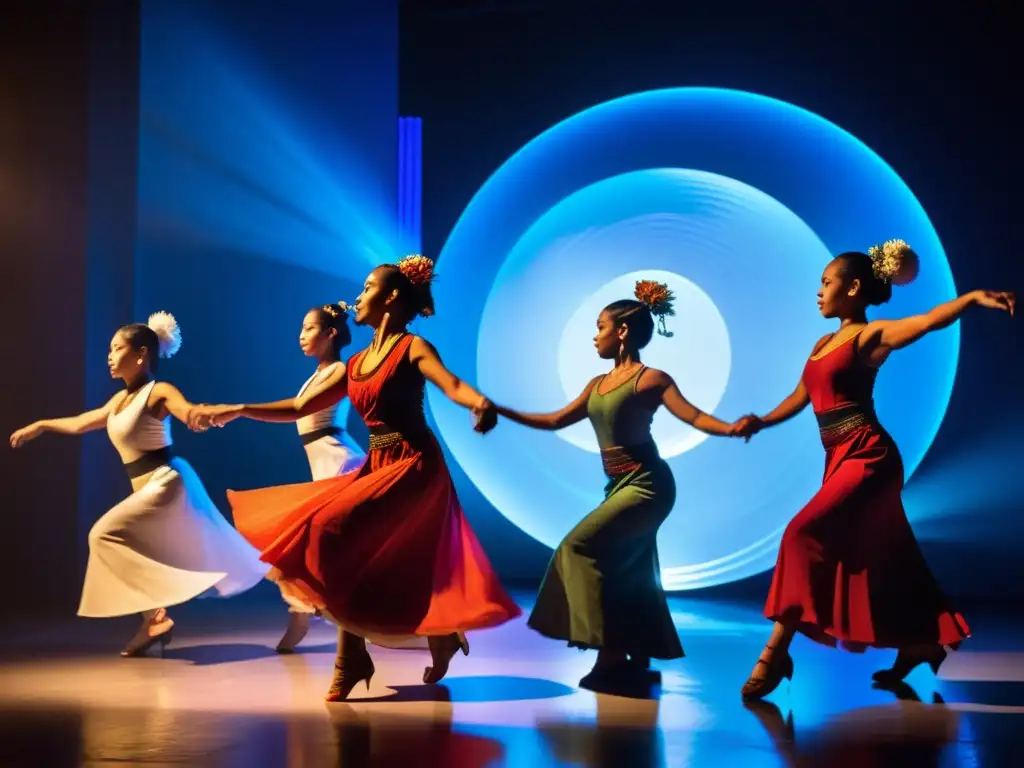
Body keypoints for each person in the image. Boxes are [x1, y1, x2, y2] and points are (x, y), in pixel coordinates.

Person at [190, 256, 521, 701]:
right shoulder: (358, 363)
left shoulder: (412, 348)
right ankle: (428, 637)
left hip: (413, 465)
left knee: (330, 530)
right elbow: (298, 407)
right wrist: (239, 409)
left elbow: (451, 384)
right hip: (377, 464)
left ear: (391, 297)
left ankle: (355, 658)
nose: (358, 296)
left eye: (367, 288)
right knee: (356, 554)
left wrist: (478, 402)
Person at [732, 240, 1015, 699]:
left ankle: (776, 652)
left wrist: (970, 299)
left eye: (827, 282)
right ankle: (921, 643)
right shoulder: (823, 343)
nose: (819, 291)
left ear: (855, 287)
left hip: (868, 457)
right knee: (885, 560)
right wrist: (761, 421)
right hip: (838, 457)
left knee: (801, 533)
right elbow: (801, 397)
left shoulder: (869, 337)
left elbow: (924, 323)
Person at [491, 280, 746, 689]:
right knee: (630, 568)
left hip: (648, 485)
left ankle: (610, 655)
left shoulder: (651, 379)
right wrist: (497, 408)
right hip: (619, 485)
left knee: (579, 546)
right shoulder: (596, 384)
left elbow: (695, 417)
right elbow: (554, 420)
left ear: (622, 331)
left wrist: (730, 428)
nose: (595, 336)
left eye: (600, 327)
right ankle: (636, 650)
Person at [9, 312, 268, 656]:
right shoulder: (119, 401)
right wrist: (41, 424)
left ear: (141, 353)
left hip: (166, 481)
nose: (110, 355)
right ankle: (153, 621)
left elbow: (184, 409)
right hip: (145, 487)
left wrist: (198, 415)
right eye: (110, 349)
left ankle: (156, 616)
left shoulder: (157, 391)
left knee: (102, 535)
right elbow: (82, 422)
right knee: (138, 549)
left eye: (117, 348)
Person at [223, 303, 366, 653]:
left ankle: (310, 617)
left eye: (309, 328)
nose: (301, 336)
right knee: (303, 549)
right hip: (324, 467)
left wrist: (242, 409)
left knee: (310, 547)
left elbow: (299, 410)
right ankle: (302, 613)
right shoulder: (318, 373)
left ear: (331, 333)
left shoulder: (338, 370)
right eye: (301, 329)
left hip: (340, 466)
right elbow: (299, 404)